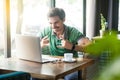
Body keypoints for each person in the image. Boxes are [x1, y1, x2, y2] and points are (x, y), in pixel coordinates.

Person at [33, 7, 91, 80]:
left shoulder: (72, 32)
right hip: (52, 66)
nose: (53, 26)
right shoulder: (46, 31)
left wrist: (72, 46)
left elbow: (91, 47)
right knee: (35, 76)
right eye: (50, 23)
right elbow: (32, 46)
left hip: (70, 67)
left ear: (63, 19)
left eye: (56, 22)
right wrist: (40, 45)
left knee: (71, 78)